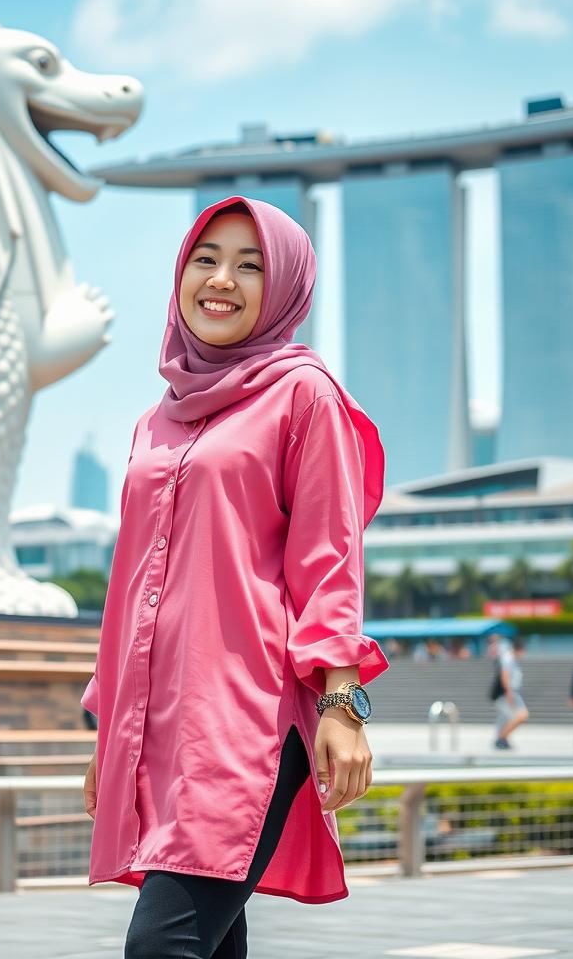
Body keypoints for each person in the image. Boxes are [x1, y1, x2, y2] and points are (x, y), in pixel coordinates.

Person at [80, 196, 389, 958]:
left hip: (247, 722)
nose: (221, 279)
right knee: (213, 945)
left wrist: (344, 708)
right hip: (159, 725)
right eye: (205, 259)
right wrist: (107, 733)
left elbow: (330, 561)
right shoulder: (157, 419)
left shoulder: (303, 394)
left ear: (283, 287)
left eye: (250, 265)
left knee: (163, 945)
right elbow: (131, 588)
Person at [493, 637, 529, 750]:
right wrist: (509, 694)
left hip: (511, 692)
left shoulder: (510, 658)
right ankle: (501, 738)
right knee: (521, 715)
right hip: (508, 692)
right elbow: (505, 676)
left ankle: (503, 738)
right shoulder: (507, 658)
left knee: (507, 717)